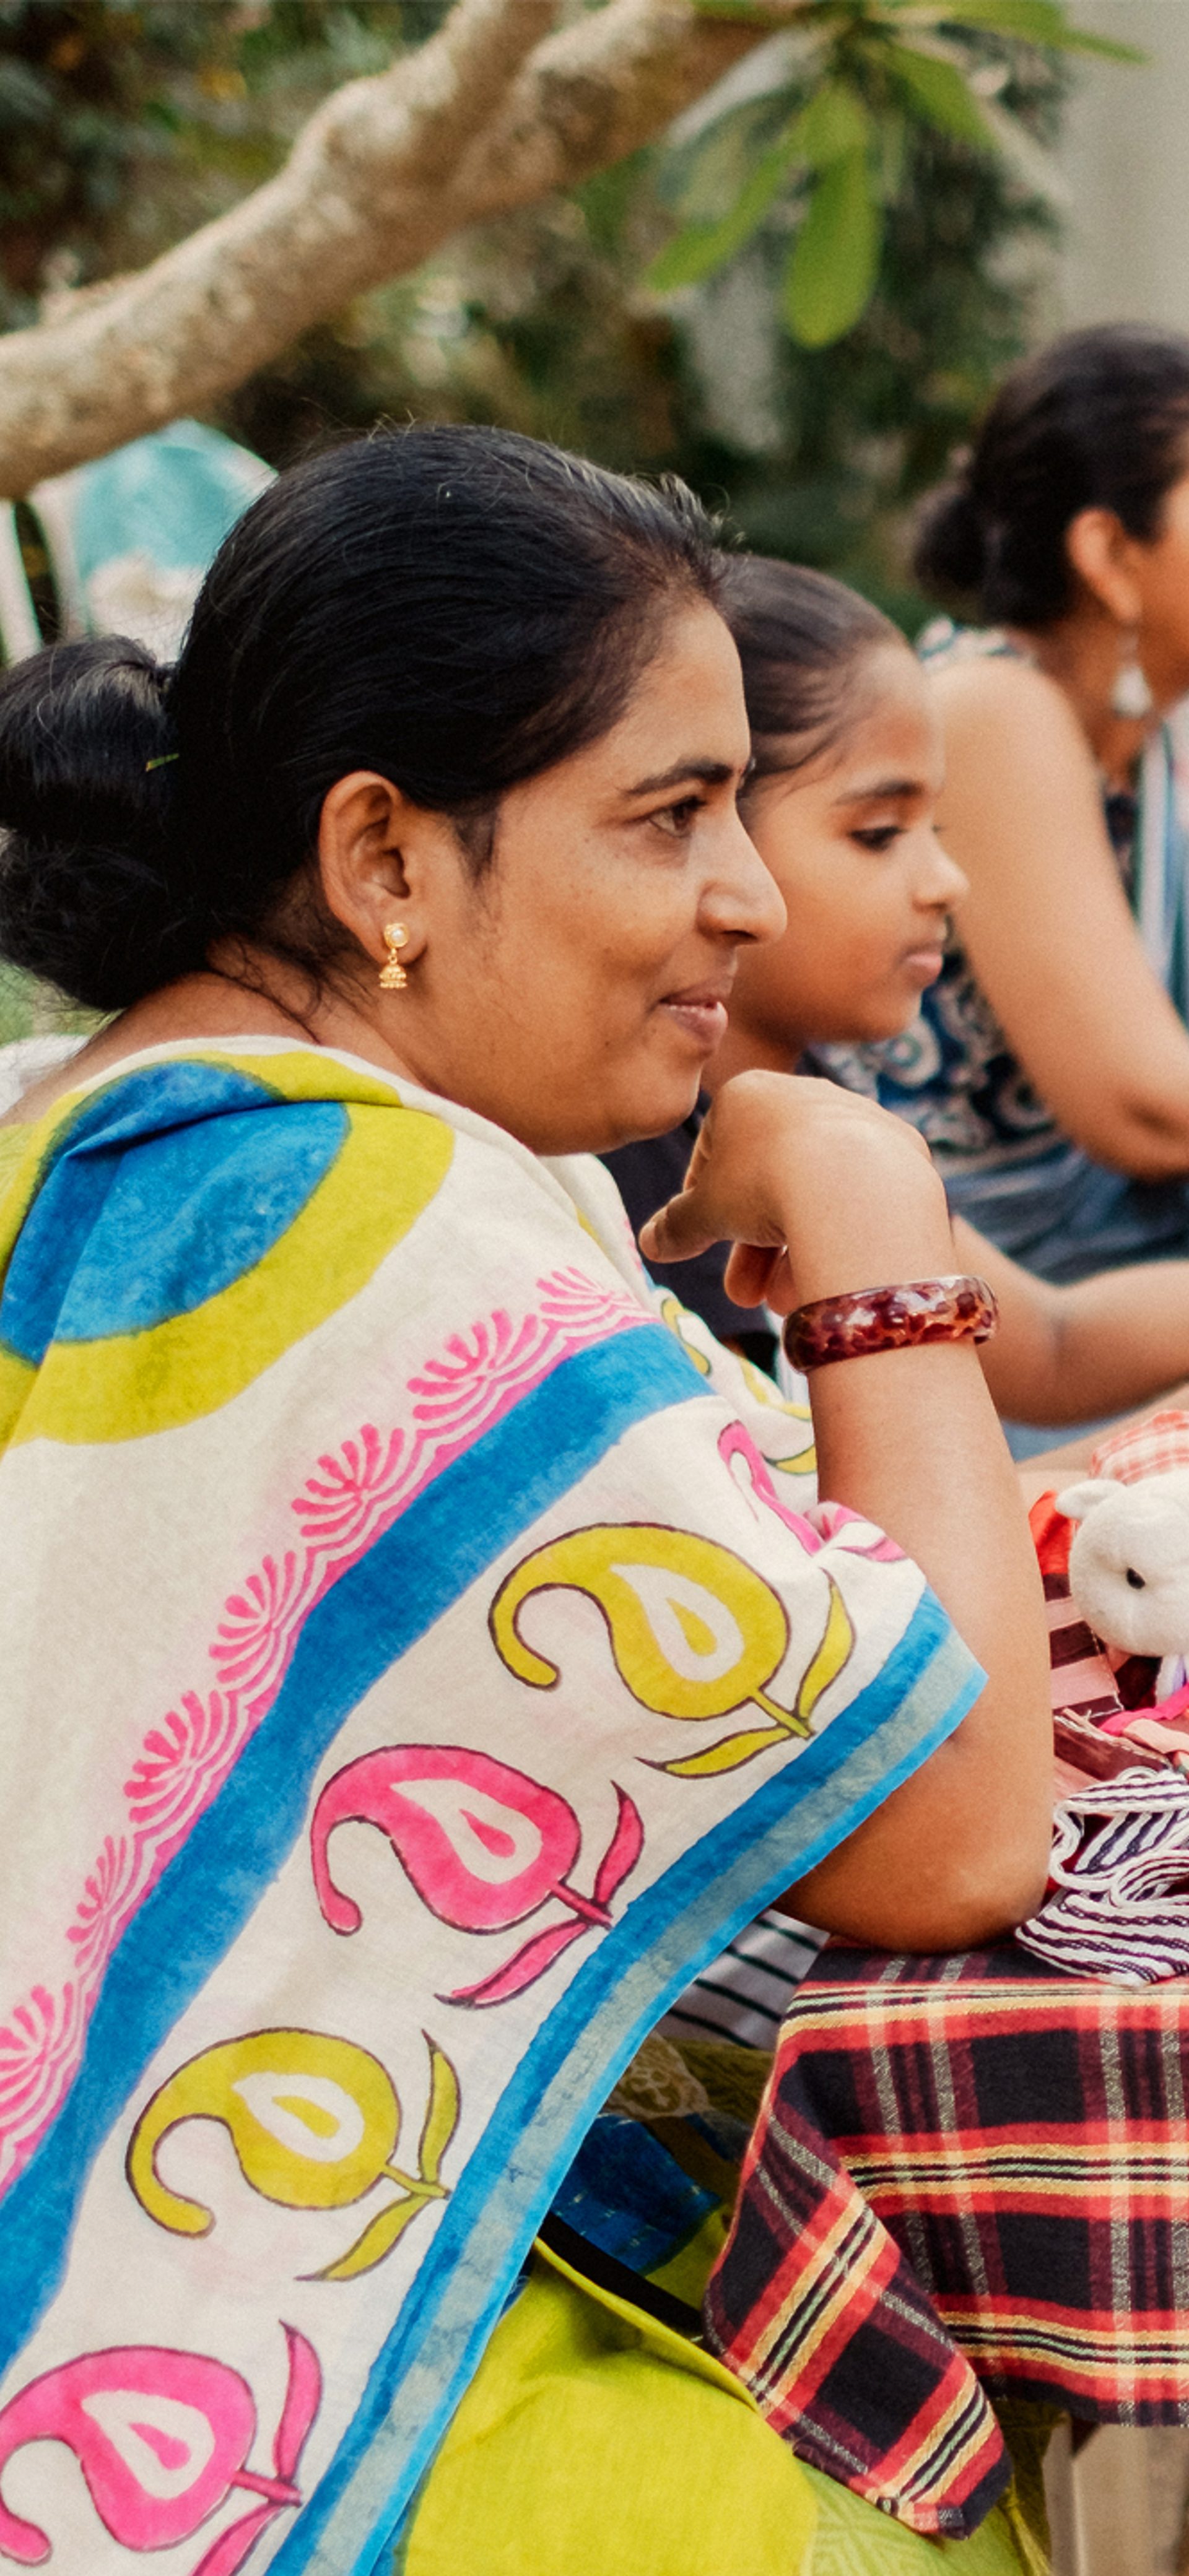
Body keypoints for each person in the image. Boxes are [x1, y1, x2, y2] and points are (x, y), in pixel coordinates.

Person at [0, 427, 1050, 2576]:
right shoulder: (363, 1219)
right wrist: (872, 1216)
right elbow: (955, 1832)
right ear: (383, 856)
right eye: (672, 816)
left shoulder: (127, 1131)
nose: (745, 895)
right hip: (232, 2403)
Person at [618, 555, 1189, 1460]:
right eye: (878, 834)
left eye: (938, 830)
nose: (946, 880)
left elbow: (1046, 1342)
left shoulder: (821, 1092)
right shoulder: (639, 1148)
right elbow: (846, 1540)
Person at [816, 326, 1189, 1285]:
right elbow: (1141, 1105)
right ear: (1109, 551)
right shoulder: (991, 709)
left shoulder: (1150, 734)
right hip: (982, 1308)